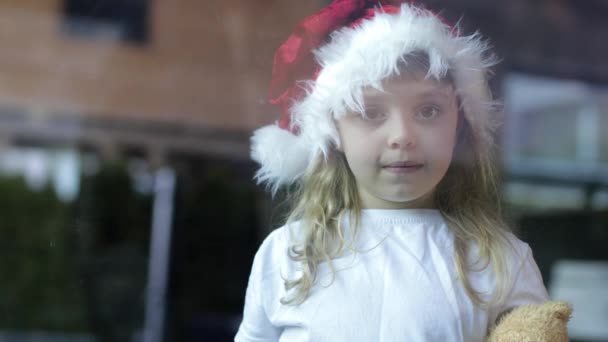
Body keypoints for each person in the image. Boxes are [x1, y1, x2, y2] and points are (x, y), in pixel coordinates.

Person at [235, 1, 549, 341]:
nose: (402, 136)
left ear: (459, 126)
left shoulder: (504, 262)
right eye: (370, 111)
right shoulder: (287, 252)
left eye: (428, 111)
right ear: (332, 130)